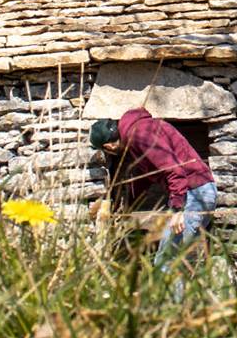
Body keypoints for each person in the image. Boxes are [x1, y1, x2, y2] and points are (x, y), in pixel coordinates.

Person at [89, 108, 217, 271]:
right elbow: (145, 176)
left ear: (108, 146)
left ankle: (168, 289)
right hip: (196, 192)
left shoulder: (140, 135)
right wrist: (129, 205)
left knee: (166, 260)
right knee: (182, 262)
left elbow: (174, 170)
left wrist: (177, 210)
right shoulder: (137, 133)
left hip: (195, 194)